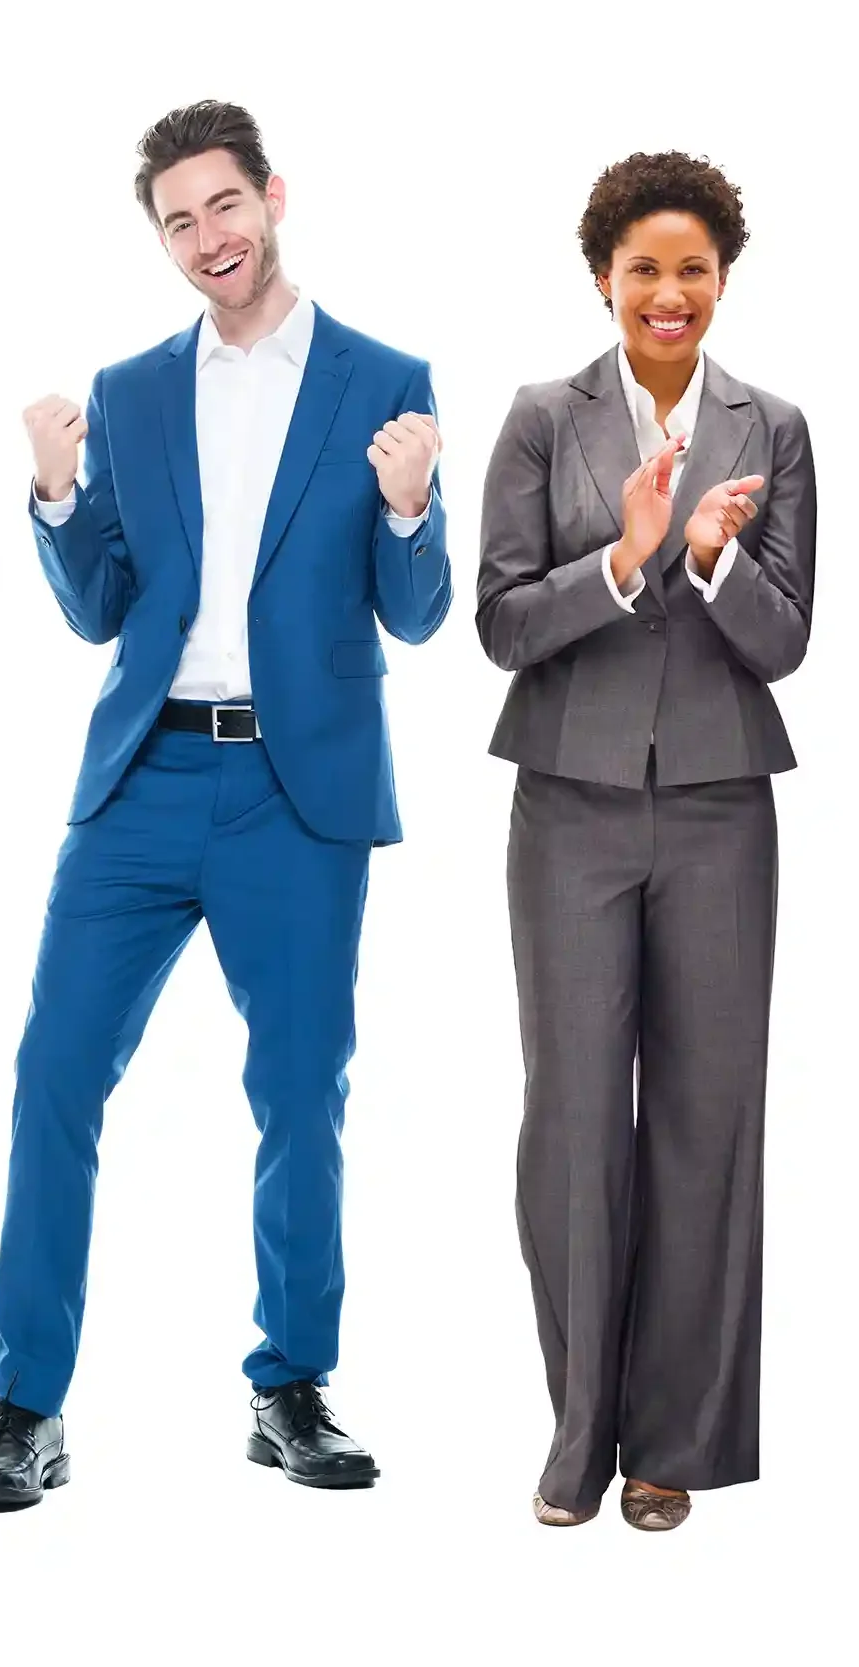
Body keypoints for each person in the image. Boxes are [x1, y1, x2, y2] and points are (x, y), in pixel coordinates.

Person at [0, 100, 450, 1511]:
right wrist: (56, 497)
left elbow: (416, 614)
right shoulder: (128, 391)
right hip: (144, 781)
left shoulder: (383, 377)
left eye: (223, 207)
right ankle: (20, 1405)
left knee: (300, 1091)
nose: (206, 239)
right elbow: (107, 603)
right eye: (178, 221)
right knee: (55, 1075)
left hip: (299, 792)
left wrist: (411, 509)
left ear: (273, 197)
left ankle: (289, 1385)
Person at [476, 152, 810, 1533]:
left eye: (693, 269)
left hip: (726, 807)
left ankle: (669, 1445)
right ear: (602, 278)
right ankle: (580, 1429)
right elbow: (498, 620)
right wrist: (624, 557)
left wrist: (717, 557)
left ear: (722, 279)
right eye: (644, 269)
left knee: (706, 1119)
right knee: (573, 1123)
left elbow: (787, 640)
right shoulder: (543, 420)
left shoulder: (773, 426)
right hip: (570, 803)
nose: (669, 293)